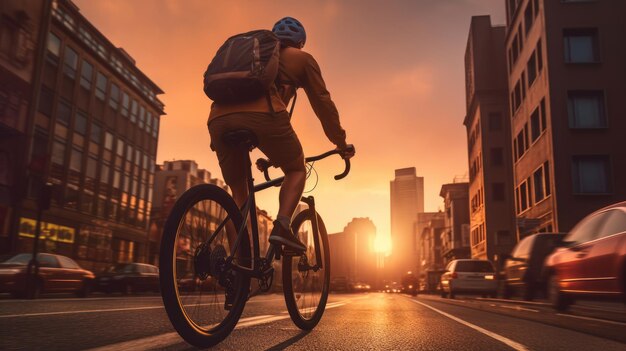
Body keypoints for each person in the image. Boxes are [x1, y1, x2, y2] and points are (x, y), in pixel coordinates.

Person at [207, 16, 353, 254]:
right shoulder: (302, 59)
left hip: (218, 120)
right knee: (296, 168)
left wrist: (272, 158)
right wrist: (340, 141)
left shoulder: (256, 60)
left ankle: (236, 266)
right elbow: (323, 104)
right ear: (300, 43)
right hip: (262, 118)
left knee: (239, 194)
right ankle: (283, 226)